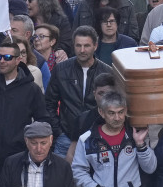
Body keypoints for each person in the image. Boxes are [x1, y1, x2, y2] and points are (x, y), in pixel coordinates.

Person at [0, 39, 51, 176]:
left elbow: (42, 120)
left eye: (7, 57)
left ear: (18, 60)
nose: (2, 61)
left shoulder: (32, 90)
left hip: (18, 155)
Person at [71, 91, 156, 187]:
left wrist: (140, 144)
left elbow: (150, 168)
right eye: (111, 113)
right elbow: (78, 171)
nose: (117, 118)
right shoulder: (87, 139)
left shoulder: (135, 135)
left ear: (125, 110)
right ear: (101, 112)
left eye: (121, 112)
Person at [46, 26, 113, 157]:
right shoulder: (61, 70)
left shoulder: (107, 72)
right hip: (66, 137)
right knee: (63, 176)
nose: (82, 50)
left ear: (95, 46)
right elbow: (49, 104)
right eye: (78, 46)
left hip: (97, 137)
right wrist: (59, 132)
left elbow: (112, 105)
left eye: (86, 45)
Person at [0, 121, 74, 187]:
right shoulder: (11, 164)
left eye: (43, 143)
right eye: (34, 143)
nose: (39, 149)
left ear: (51, 140)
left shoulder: (63, 167)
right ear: (26, 141)